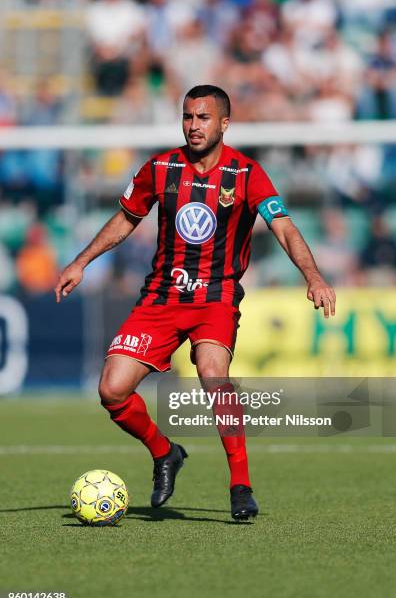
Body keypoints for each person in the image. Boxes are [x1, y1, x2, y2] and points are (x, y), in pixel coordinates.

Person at [55, 85, 336, 520]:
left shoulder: (246, 173)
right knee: (112, 390)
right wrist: (81, 261)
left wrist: (313, 276)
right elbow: (128, 218)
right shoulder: (160, 167)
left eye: (203, 118)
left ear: (224, 123)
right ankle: (165, 452)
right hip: (162, 297)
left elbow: (283, 226)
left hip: (215, 298)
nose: (193, 126)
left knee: (212, 375)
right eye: (187, 117)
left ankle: (240, 485)